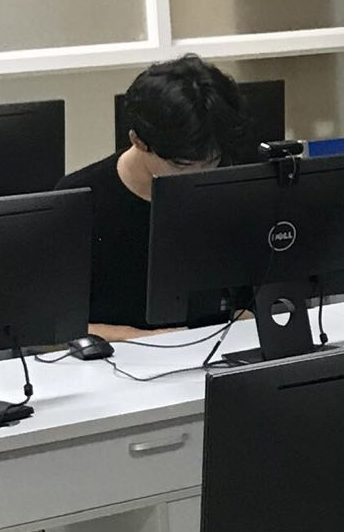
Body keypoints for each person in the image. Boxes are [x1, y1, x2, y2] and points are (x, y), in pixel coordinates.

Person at [56, 54, 254, 340]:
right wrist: (151, 338)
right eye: (182, 165)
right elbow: (49, 328)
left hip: (214, 348)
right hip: (121, 359)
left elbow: (247, 298)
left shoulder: (228, 185)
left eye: (211, 161)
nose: (200, 175)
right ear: (138, 140)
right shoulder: (81, 199)